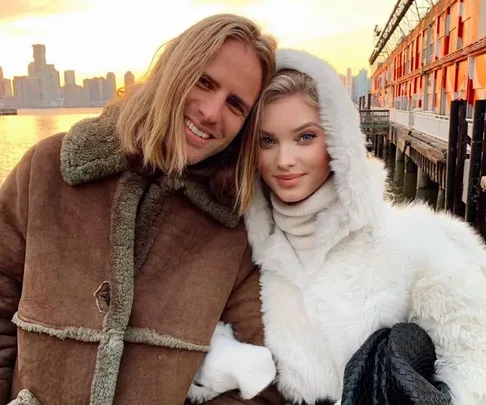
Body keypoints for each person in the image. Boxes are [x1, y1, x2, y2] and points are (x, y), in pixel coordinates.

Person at [0, 14, 284, 405]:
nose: (211, 112)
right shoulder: (48, 170)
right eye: (204, 81)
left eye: (235, 105)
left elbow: (259, 377)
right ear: (173, 71)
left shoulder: (237, 230)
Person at [190, 49, 486, 405]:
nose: (285, 161)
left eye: (305, 137)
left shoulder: (417, 244)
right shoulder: (246, 257)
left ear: (337, 140)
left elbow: (474, 368)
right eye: (267, 141)